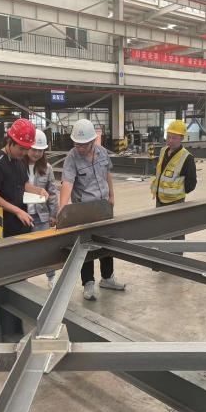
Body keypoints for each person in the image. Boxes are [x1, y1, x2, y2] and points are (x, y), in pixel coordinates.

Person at [59, 118, 124, 301]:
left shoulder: (102, 152)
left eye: (83, 145)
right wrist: (62, 209)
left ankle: (107, 278)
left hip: (103, 206)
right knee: (85, 246)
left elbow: (108, 174)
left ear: (93, 141)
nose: (80, 148)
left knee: (106, 242)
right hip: (84, 209)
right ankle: (88, 283)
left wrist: (112, 195)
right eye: (77, 144)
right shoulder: (72, 158)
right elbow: (67, 183)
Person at [0, 118, 49, 237]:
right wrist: (17, 211)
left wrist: (39, 191)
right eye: (21, 148)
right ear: (10, 141)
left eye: (27, 149)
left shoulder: (20, 160)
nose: (24, 153)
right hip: (1, 221)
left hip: (21, 218)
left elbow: (24, 184)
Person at [25, 129, 59, 287]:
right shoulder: (18, 166)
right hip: (22, 215)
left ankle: (51, 278)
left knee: (47, 249)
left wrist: (53, 214)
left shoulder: (47, 168)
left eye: (40, 150)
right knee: (22, 250)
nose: (37, 153)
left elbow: (52, 192)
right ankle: (21, 279)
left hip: (41, 216)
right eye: (34, 149)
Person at [151, 120, 197, 208]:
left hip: (175, 201)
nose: (170, 140)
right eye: (168, 137)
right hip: (159, 198)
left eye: (174, 138)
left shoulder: (187, 157)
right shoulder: (163, 151)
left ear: (182, 138)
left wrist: (176, 191)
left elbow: (191, 183)